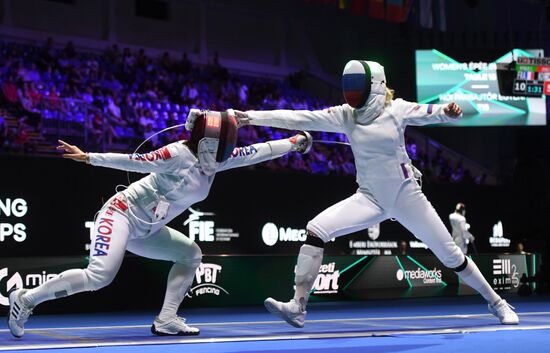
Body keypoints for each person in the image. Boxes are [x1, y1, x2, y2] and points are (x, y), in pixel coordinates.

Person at [187, 60, 519, 327]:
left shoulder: (397, 110)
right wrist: (249, 117)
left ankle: (497, 302)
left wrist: (448, 111)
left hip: (406, 196)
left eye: (355, 85)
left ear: (373, 85)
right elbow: (298, 117)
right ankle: (298, 307)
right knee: (316, 229)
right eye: (348, 86)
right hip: (370, 198)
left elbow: (432, 113)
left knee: (451, 256)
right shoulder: (345, 117)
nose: (350, 92)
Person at [7, 110, 312, 338]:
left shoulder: (220, 159)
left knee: (190, 254)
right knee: (99, 276)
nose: (227, 150)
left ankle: (167, 318)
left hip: (147, 230)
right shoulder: (176, 154)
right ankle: (26, 299)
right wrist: (88, 157)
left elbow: (259, 152)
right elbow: (132, 161)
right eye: (223, 144)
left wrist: (295, 142)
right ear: (208, 142)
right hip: (121, 214)